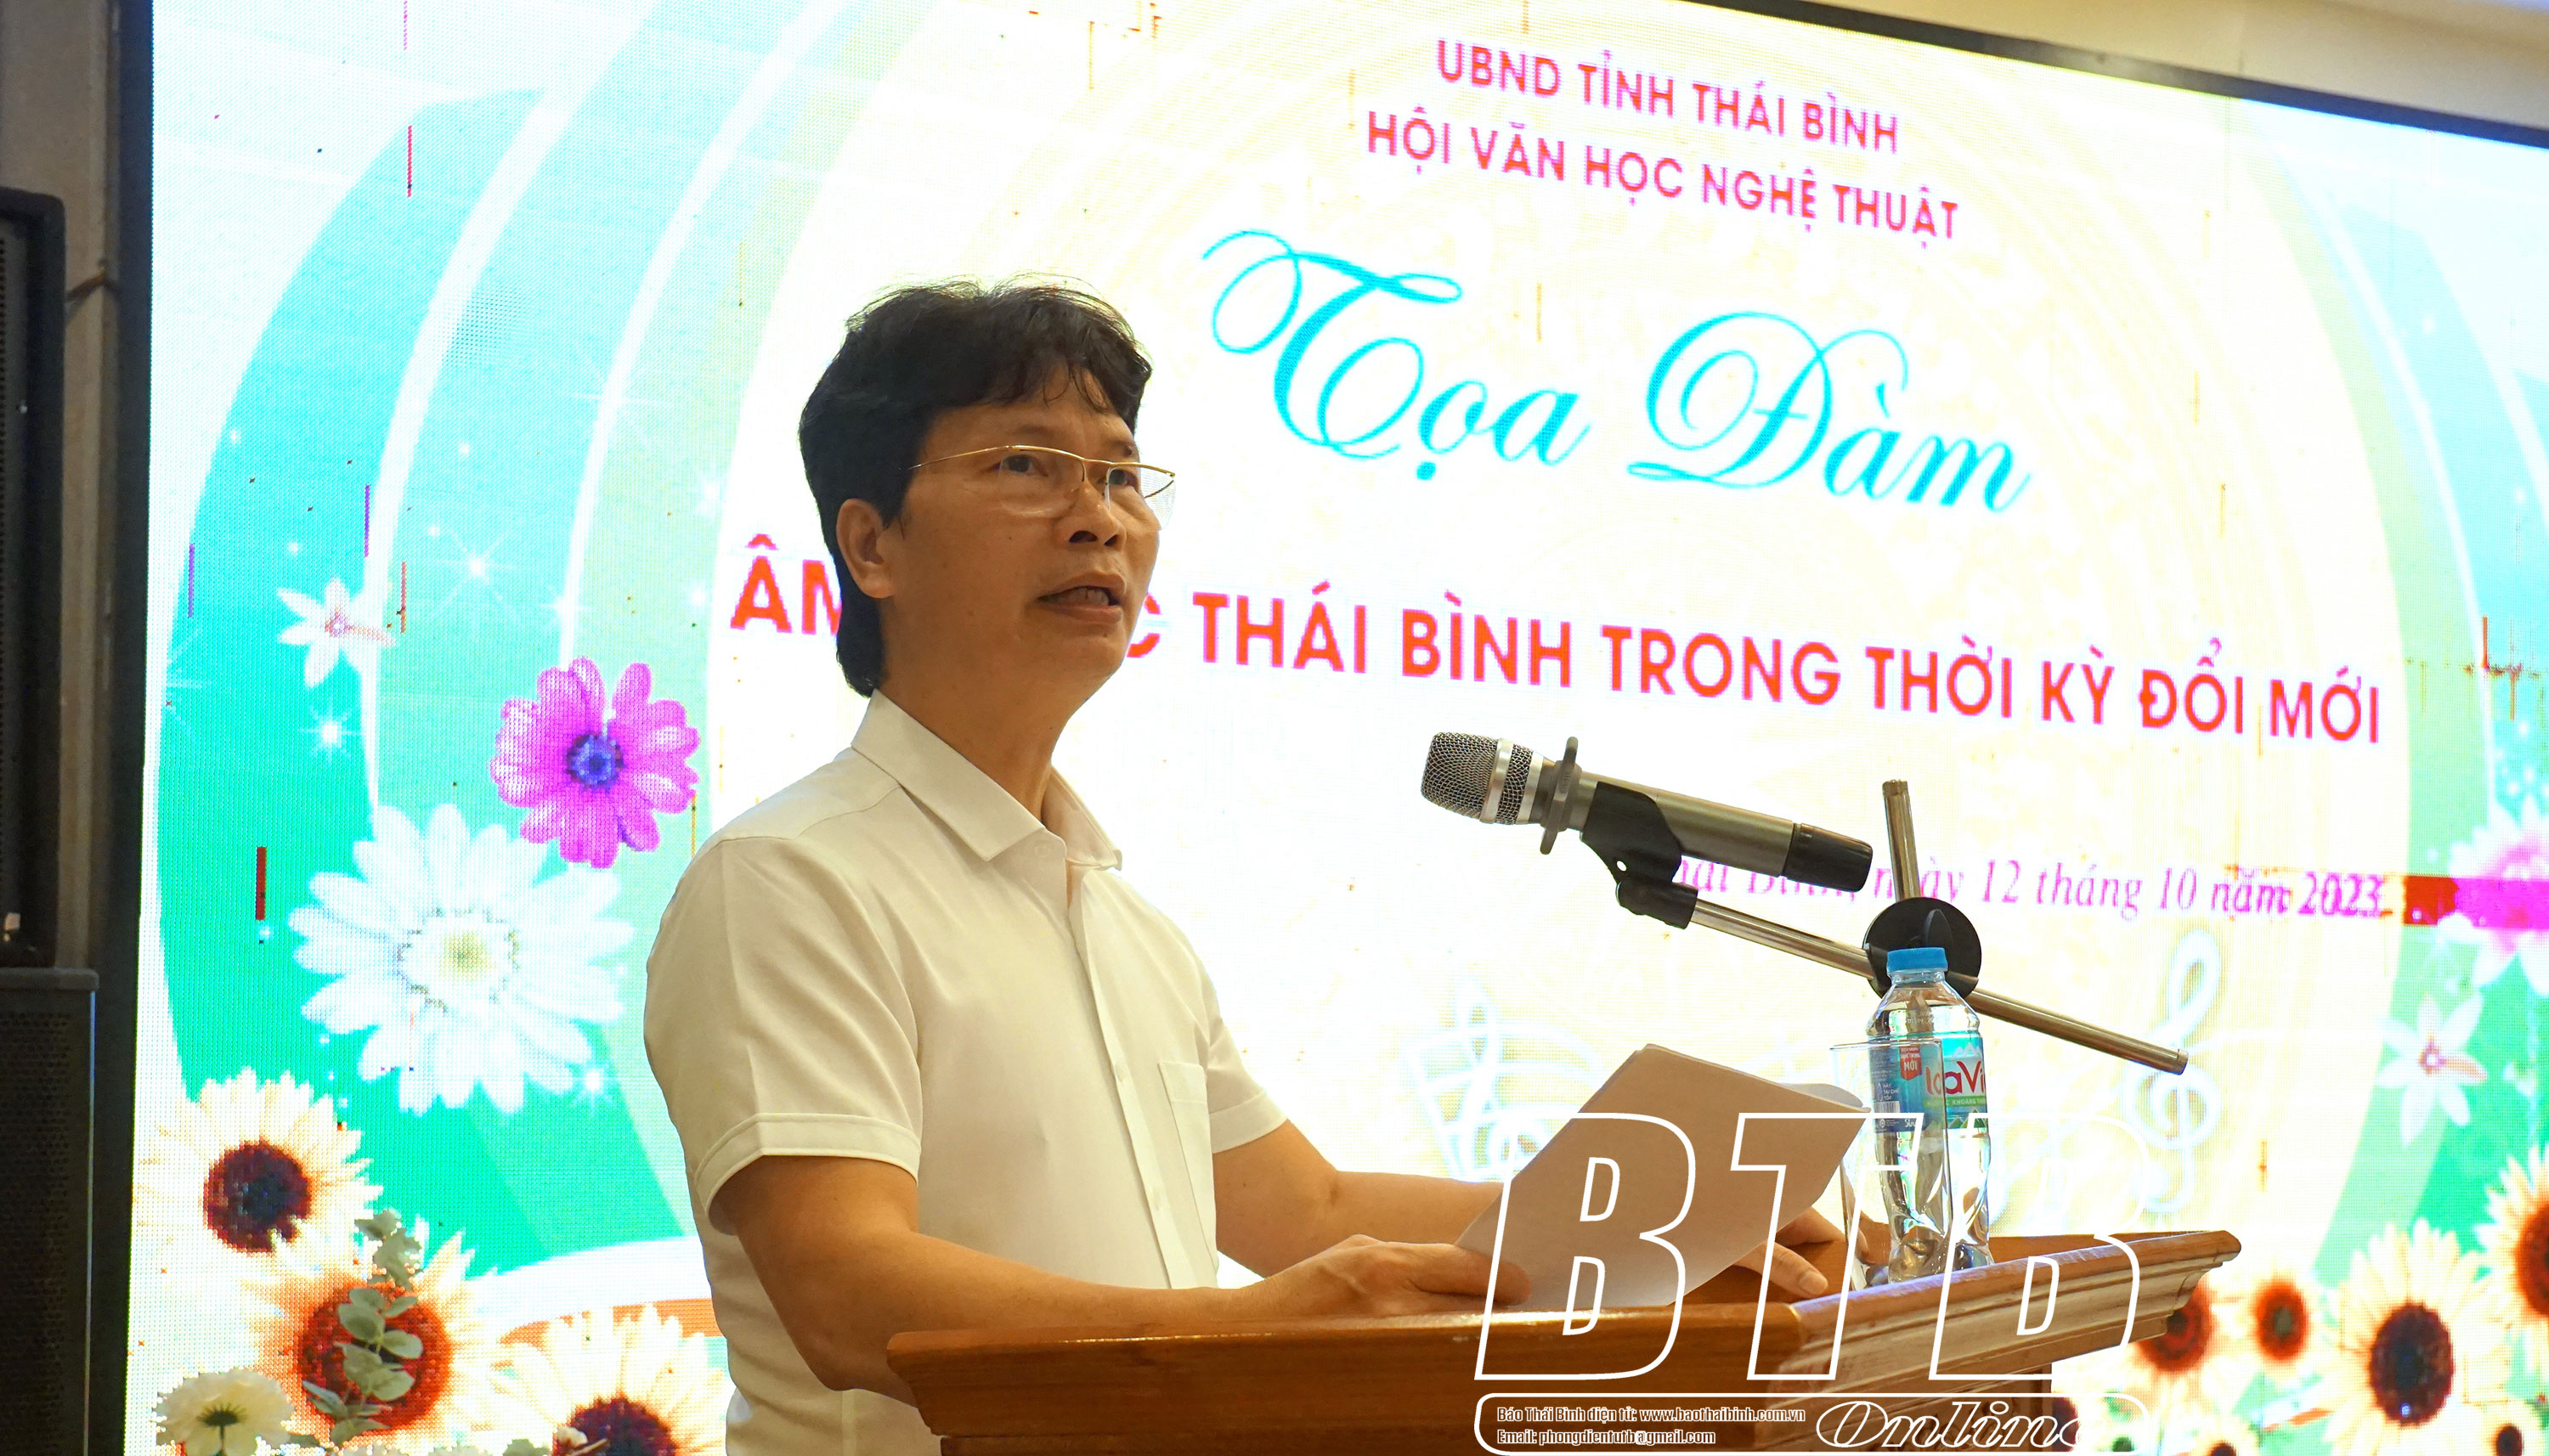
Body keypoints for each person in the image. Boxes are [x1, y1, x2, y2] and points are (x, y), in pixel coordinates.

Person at [643, 281, 1834, 1456]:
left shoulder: (1121, 922)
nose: (1097, 517)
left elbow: (1308, 1212)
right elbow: (847, 1290)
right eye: (1025, 464)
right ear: (872, 545)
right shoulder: (791, 879)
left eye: (1120, 474)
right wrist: (1249, 1331)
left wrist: (1667, 1235)